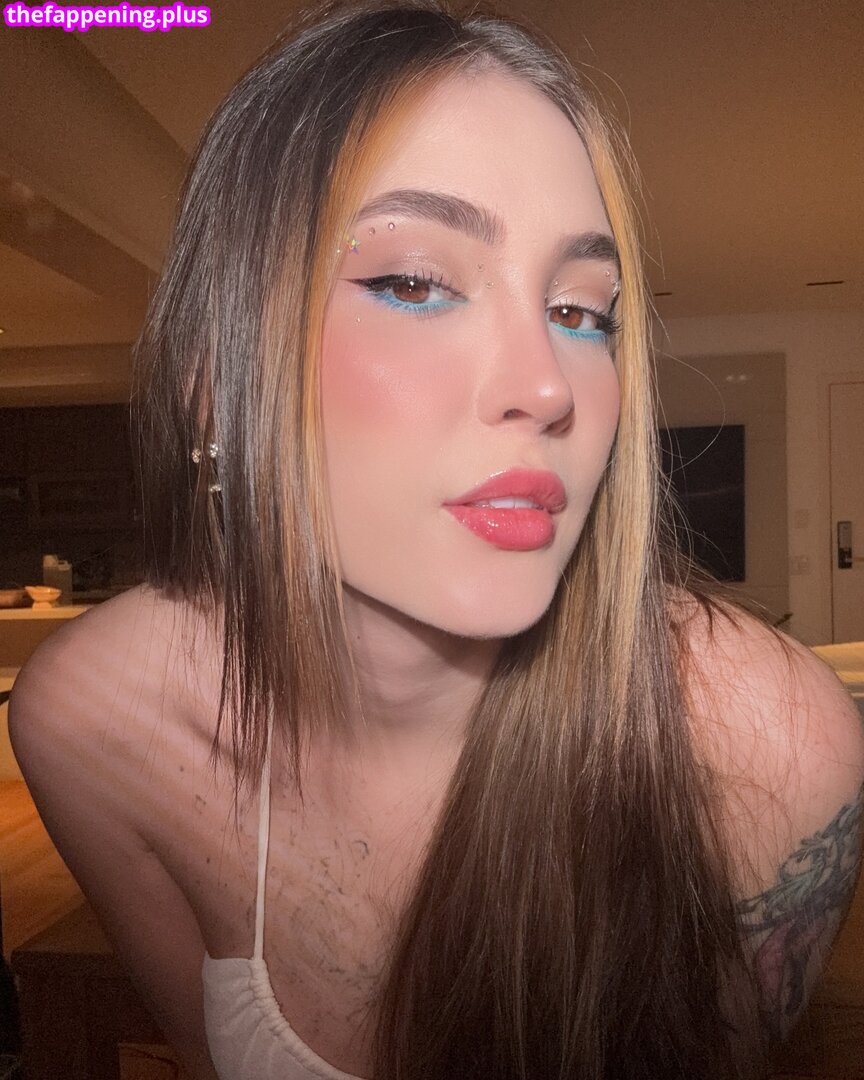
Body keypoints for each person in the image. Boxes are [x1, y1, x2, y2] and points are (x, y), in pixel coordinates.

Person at [9, 3, 864, 1078]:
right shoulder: (98, 723)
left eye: (582, 312)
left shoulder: (768, 747)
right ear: (215, 385)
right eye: (413, 282)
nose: (548, 386)